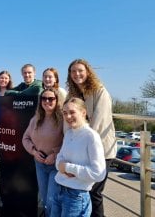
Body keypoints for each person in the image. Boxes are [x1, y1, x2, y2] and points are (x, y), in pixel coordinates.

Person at [66, 59, 117, 217]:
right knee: (83, 192)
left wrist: (80, 144)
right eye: (73, 71)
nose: (77, 74)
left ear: (88, 72)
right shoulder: (73, 94)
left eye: (80, 70)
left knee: (94, 192)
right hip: (80, 149)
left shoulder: (100, 91)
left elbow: (98, 122)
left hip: (100, 149)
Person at [51, 97, 106, 217]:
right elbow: (59, 160)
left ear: (83, 113)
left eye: (72, 112)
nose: (68, 116)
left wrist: (68, 168)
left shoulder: (91, 137)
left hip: (76, 196)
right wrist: (62, 166)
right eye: (65, 113)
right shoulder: (69, 133)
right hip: (59, 189)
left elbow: (99, 173)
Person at [22, 88, 64, 216]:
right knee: (45, 199)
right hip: (39, 165)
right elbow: (25, 138)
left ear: (57, 101)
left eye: (51, 99)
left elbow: (69, 142)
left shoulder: (63, 119)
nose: (47, 101)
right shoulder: (36, 119)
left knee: (52, 200)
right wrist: (34, 152)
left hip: (55, 166)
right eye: (44, 98)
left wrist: (55, 154)